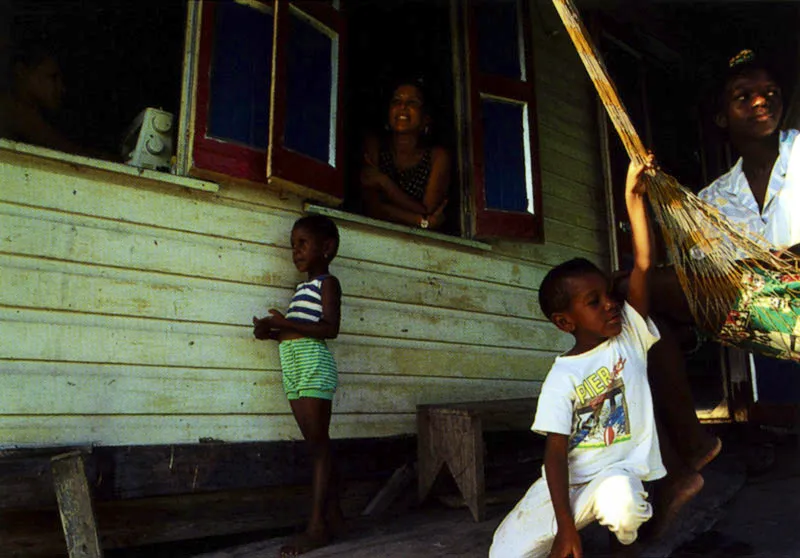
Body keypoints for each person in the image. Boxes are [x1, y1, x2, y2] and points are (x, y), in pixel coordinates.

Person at [490, 157, 698, 558]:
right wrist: (567, 530)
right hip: (571, 484)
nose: (610, 305)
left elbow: (642, 263)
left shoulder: (629, 336)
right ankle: (575, 533)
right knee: (504, 553)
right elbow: (554, 454)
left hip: (618, 476)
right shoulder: (562, 377)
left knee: (625, 507)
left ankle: (625, 544)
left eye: (609, 295)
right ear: (565, 322)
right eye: (594, 301)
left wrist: (632, 197)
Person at [252, 215, 344, 557]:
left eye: (303, 243)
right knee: (315, 446)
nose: (296, 251)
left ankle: (317, 527)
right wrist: (270, 331)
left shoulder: (328, 284)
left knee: (319, 447)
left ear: (327, 248)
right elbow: (295, 329)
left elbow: (329, 329)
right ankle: (334, 515)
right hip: (291, 363)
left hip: (312, 364)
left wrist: (285, 322)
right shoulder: (300, 289)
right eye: (293, 245)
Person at [359, 80, 450, 230]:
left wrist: (384, 182)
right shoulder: (375, 145)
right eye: (396, 101)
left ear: (426, 118)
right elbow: (373, 208)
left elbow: (428, 209)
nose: (402, 107)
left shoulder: (437, 157)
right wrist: (421, 221)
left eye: (412, 103)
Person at [0, 40, 81, 154]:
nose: (61, 88)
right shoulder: (14, 110)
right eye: (52, 77)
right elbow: (69, 152)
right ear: (22, 71)